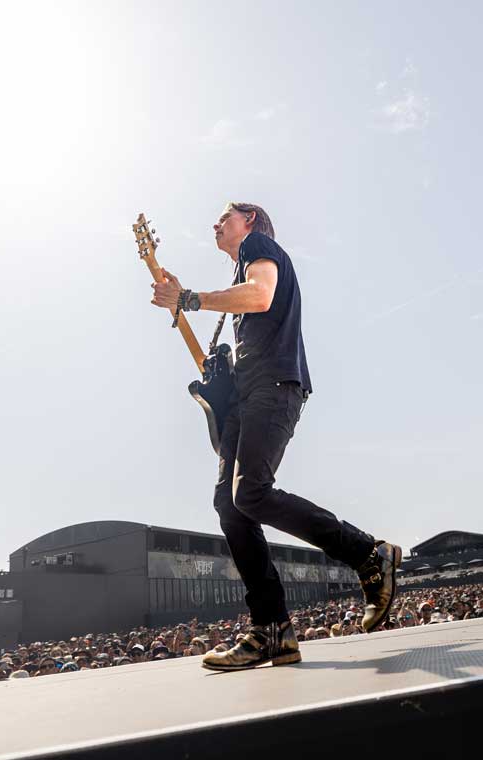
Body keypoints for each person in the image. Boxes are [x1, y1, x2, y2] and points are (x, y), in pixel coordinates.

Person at [150, 203, 401, 671]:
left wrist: (188, 299)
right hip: (246, 397)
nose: (215, 224)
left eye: (224, 216)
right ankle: (272, 631)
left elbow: (261, 296)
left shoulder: (259, 248)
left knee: (252, 492)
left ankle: (369, 554)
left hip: (274, 386)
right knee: (229, 504)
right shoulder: (240, 278)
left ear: (249, 220)